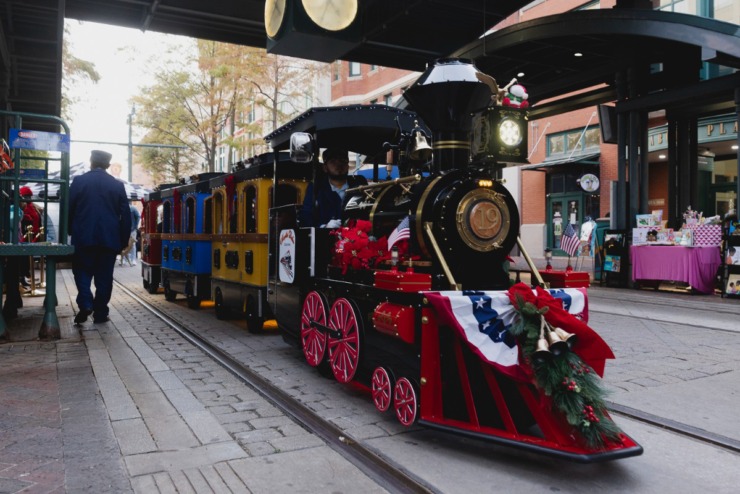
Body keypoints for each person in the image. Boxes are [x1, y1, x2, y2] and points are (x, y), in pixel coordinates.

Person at [69, 150, 131, 324]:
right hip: (109, 239)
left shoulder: (79, 181)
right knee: (104, 277)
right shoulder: (117, 185)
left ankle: (86, 303)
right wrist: (123, 239)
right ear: (108, 165)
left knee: (82, 272)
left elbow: (69, 208)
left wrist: (69, 230)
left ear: (91, 162)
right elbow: (125, 215)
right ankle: (101, 313)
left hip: (83, 237)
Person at [300, 148, 367, 227]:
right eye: (333, 161)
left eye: (343, 160)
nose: (339, 164)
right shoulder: (316, 188)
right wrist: (324, 227)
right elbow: (306, 216)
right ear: (325, 168)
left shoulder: (359, 184)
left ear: (347, 165)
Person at [123, 201, 141, 266]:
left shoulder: (133, 208)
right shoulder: (125, 208)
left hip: (132, 229)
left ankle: (133, 260)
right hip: (127, 229)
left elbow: (138, 217)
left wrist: (136, 226)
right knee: (126, 244)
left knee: (132, 244)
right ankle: (125, 260)